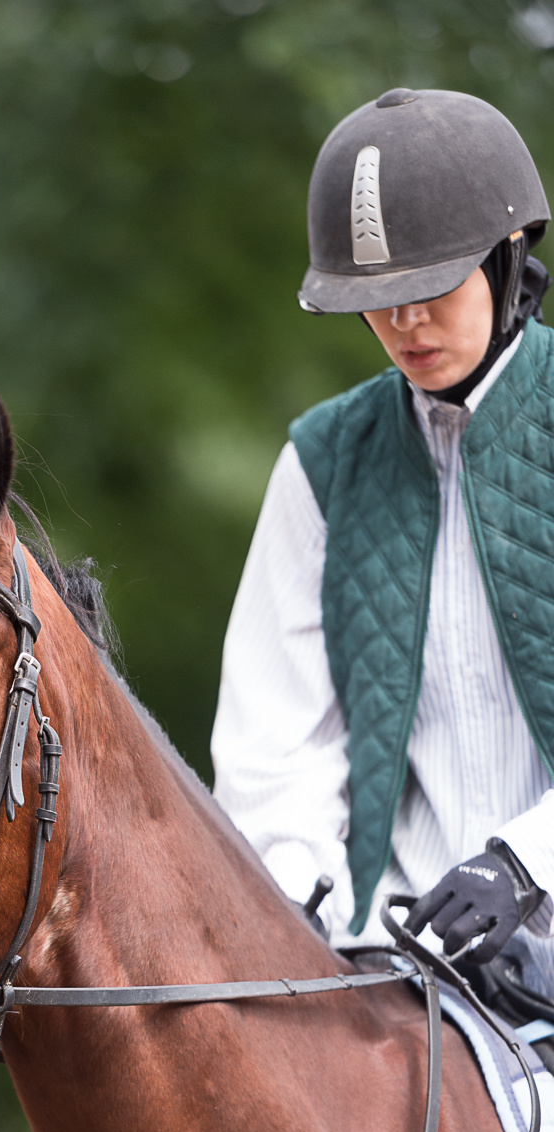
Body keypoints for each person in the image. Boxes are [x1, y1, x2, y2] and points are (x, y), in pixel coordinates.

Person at [212, 88, 554, 994]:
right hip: (400, 974)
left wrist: (524, 864)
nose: (405, 325)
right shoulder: (320, 461)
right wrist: (318, 922)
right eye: (379, 300)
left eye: (430, 290)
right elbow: (272, 741)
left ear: (509, 258)